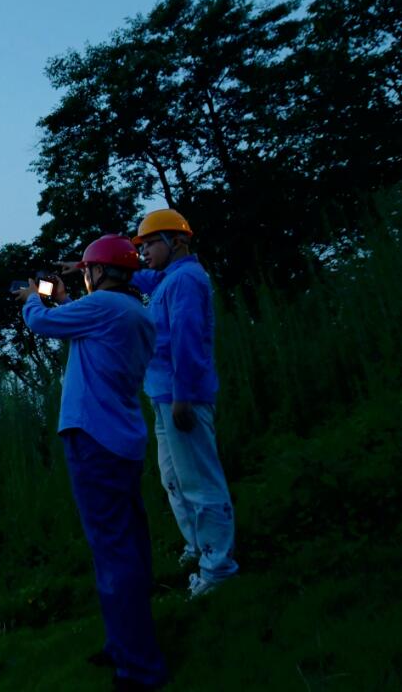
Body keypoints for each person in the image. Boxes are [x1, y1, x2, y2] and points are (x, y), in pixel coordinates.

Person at [17, 234, 167, 691]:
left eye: (87, 270)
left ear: (100, 273)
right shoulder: (135, 313)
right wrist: (64, 299)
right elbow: (77, 324)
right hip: (122, 440)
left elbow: (42, 323)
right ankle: (126, 642)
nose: (84, 277)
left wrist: (31, 301)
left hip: (94, 440)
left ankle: (138, 667)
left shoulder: (104, 308)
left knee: (112, 550)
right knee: (130, 545)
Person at [131, 208, 238, 598]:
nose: (142, 253)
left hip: (181, 398)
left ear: (176, 241)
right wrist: (94, 265)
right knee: (174, 480)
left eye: (148, 244)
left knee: (199, 482)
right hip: (163, 397)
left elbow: (188, 341)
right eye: (138, 247)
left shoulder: (187, 280)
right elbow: (140, 276)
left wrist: (184, 396)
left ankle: (218, 569)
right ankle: (199, 548)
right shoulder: (167, 280)